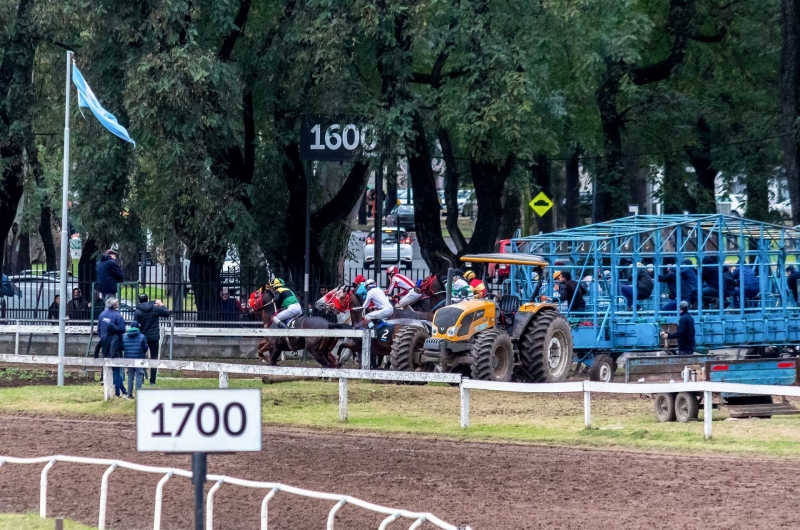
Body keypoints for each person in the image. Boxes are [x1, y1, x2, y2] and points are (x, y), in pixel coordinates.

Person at [135, 294, 171, 386]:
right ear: (148, 300)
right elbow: (167, 313)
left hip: (142, 337)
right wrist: (162, 305)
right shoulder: (154, 308)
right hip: (154, 337)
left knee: (141, 357)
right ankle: (152, 381)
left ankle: (141, 379)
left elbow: (135, 324)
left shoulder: (138, 311)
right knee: (154, 358)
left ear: (139, 301)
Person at [122, 321, 149, 399]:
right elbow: (145, 348)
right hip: (139, 358)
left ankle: (129, 394)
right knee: (139, 375)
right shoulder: (142, 336)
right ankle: (138, 394)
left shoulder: (124, 336)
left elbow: (123, 347)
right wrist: (142, 354)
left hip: (128, 358)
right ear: (138, 327)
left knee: (130, 376)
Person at [101, 322, 126, 397]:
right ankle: (117, 393)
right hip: (115, 357)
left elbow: (99, 345)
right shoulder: (116, 337)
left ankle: (123, 390)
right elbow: (115, 346)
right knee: (117, 375)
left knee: (118, 375)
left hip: (106, 357)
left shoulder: (104, 336)